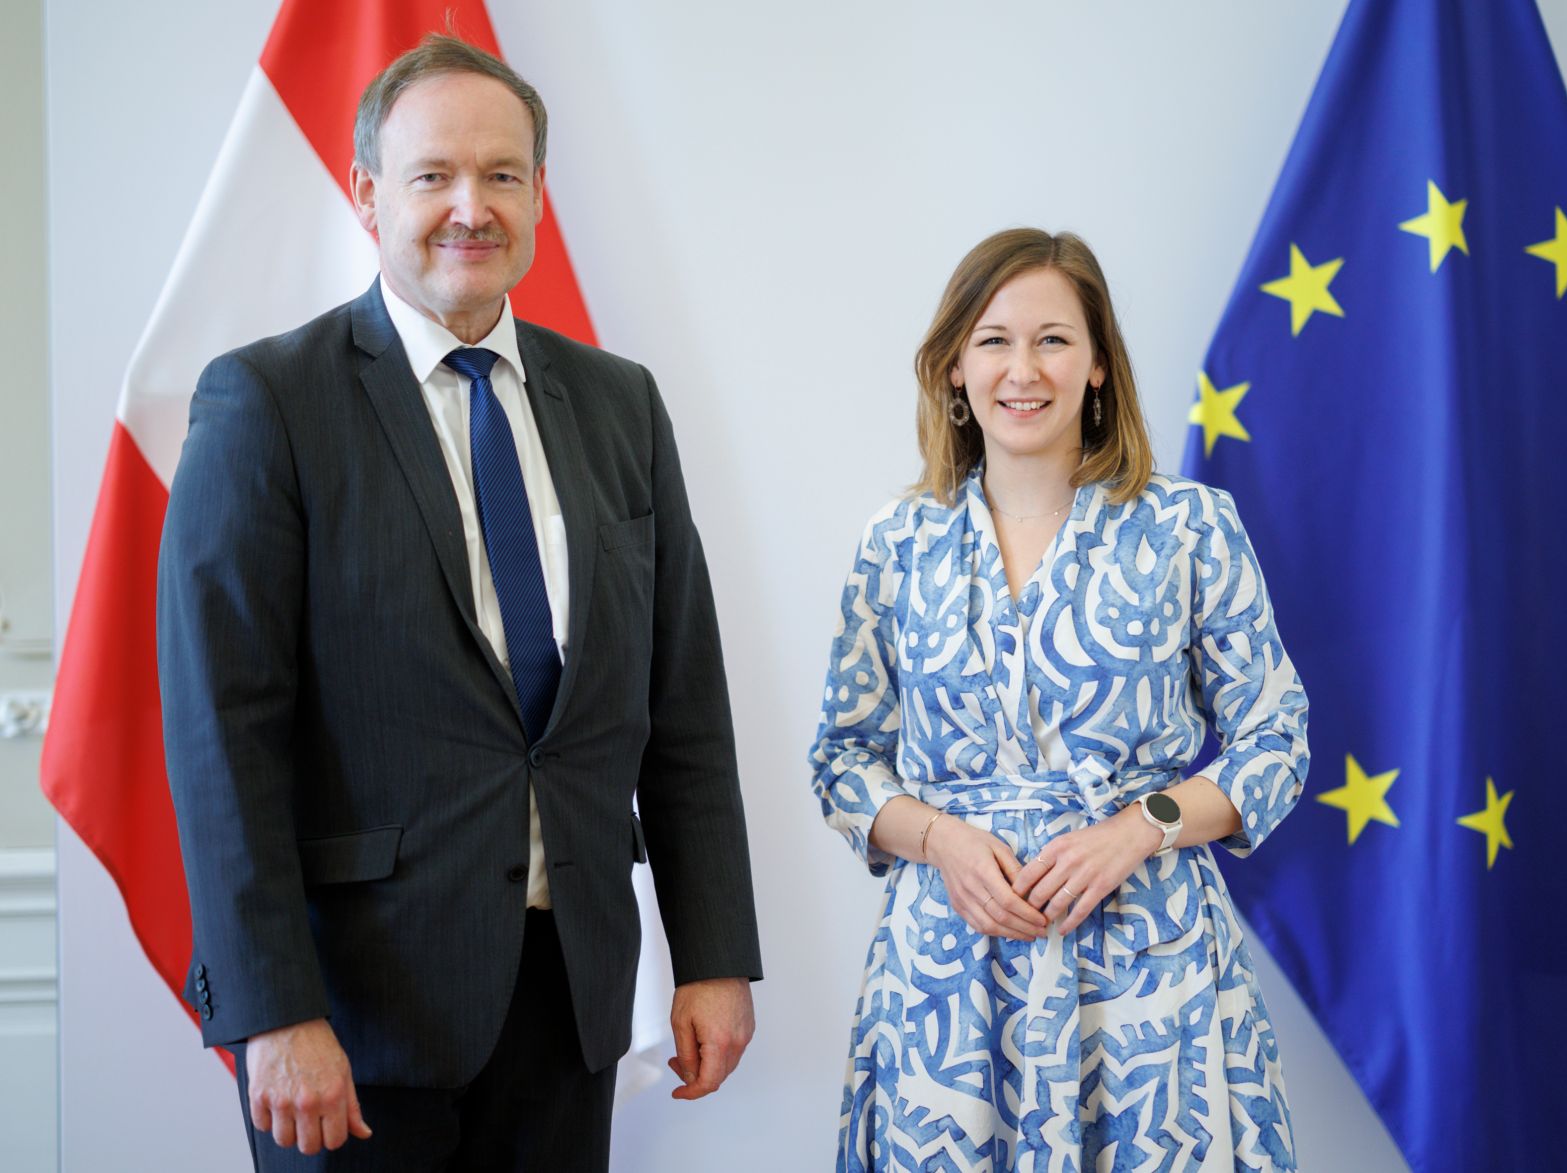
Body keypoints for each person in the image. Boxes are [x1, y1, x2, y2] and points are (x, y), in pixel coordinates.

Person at [158, 34, 761, 1172]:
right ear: (368, 193)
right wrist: (272, 1011)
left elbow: (683, 708)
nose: (468, 208)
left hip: (570, 997)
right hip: (351, 1017)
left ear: (537, 195)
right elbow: (219, 734)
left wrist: (713, 953)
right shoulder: (267, 402)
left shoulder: (620, 406)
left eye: (502, 174)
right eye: (433, 175)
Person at [808, 228, 1309, 1170]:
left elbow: (1276, 738)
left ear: (1098, 367)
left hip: (1149, 970)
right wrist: (942, 840)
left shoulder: (1191, 526)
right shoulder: (898, 542)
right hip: (949, 983)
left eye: (1053, 338)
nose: (1022, 367)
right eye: (993, 339)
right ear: (955, 367)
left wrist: (1140, 826)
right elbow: (841, 759)